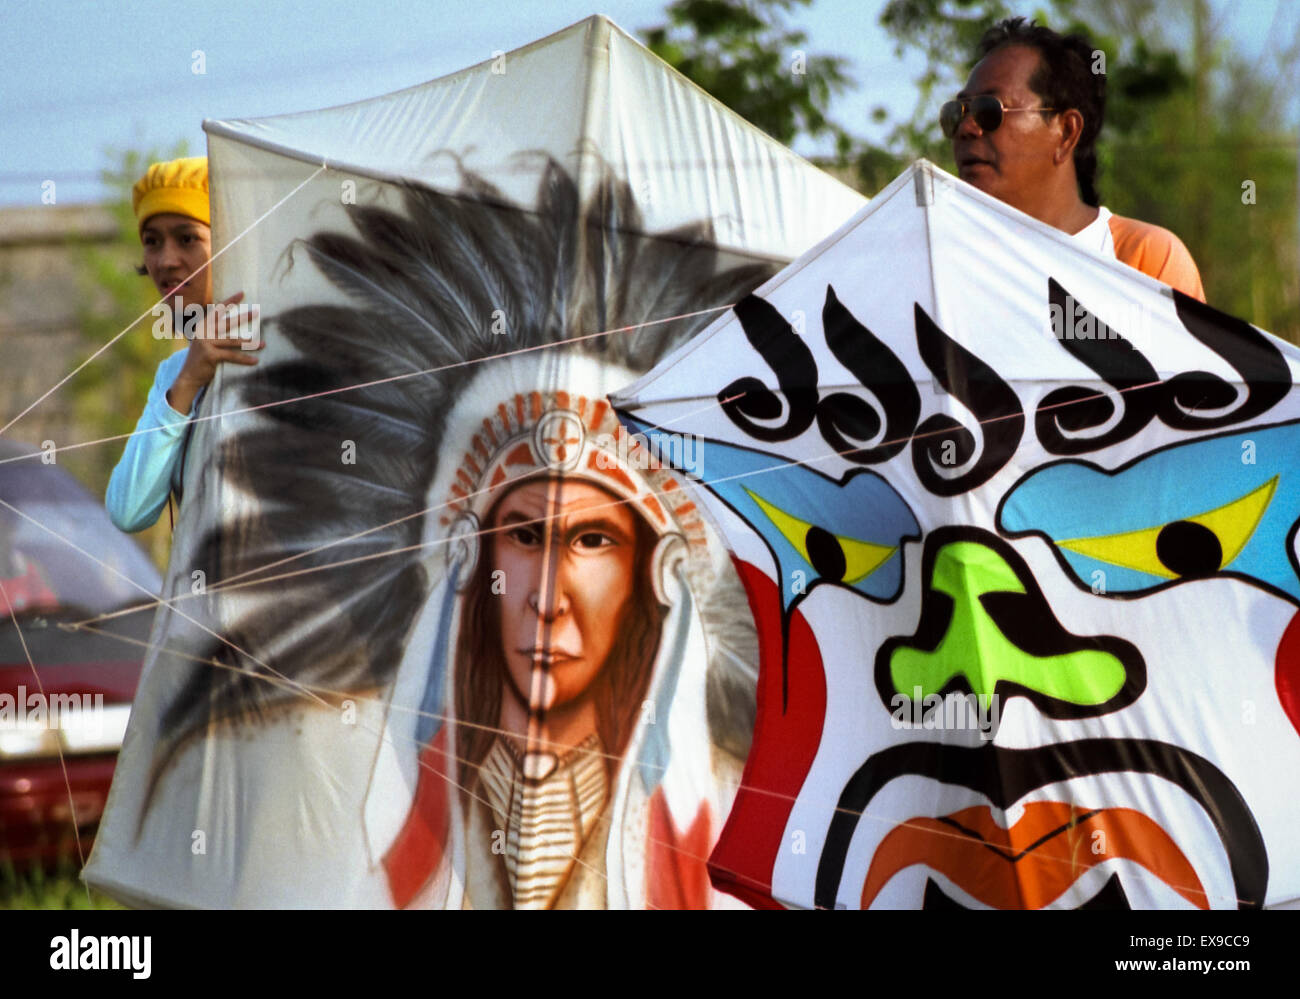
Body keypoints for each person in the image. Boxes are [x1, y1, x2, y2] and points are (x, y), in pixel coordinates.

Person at [944, 17, 1206, 301]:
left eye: (989, 109)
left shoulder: (1145, 260)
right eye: (957, 112)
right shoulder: (943, 263)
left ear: (1067, 132)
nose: (966, 128)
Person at [105, 156, 261, 532]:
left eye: (188, 238)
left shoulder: (276, 348)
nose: (166, 261)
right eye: (152, 242)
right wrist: (187, 384)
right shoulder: (174, 375)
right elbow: (128, 511)